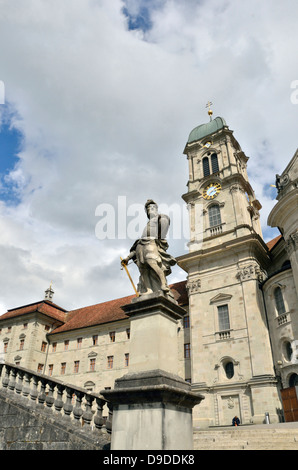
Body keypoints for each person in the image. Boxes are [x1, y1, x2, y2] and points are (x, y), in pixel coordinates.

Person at [121, 199, 176, 296]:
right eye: (148, 208)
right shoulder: (148, 223)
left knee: (152, 262)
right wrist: (127, 258)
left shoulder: (161, 217)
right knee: (143, 269)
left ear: (156, 209)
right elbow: (134, 249)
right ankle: (149, 289)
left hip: (151, 242)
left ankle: (163, 284)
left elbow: (163, 231)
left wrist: (159, 239)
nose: (150, 209)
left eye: (152, 207)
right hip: (140, 245)